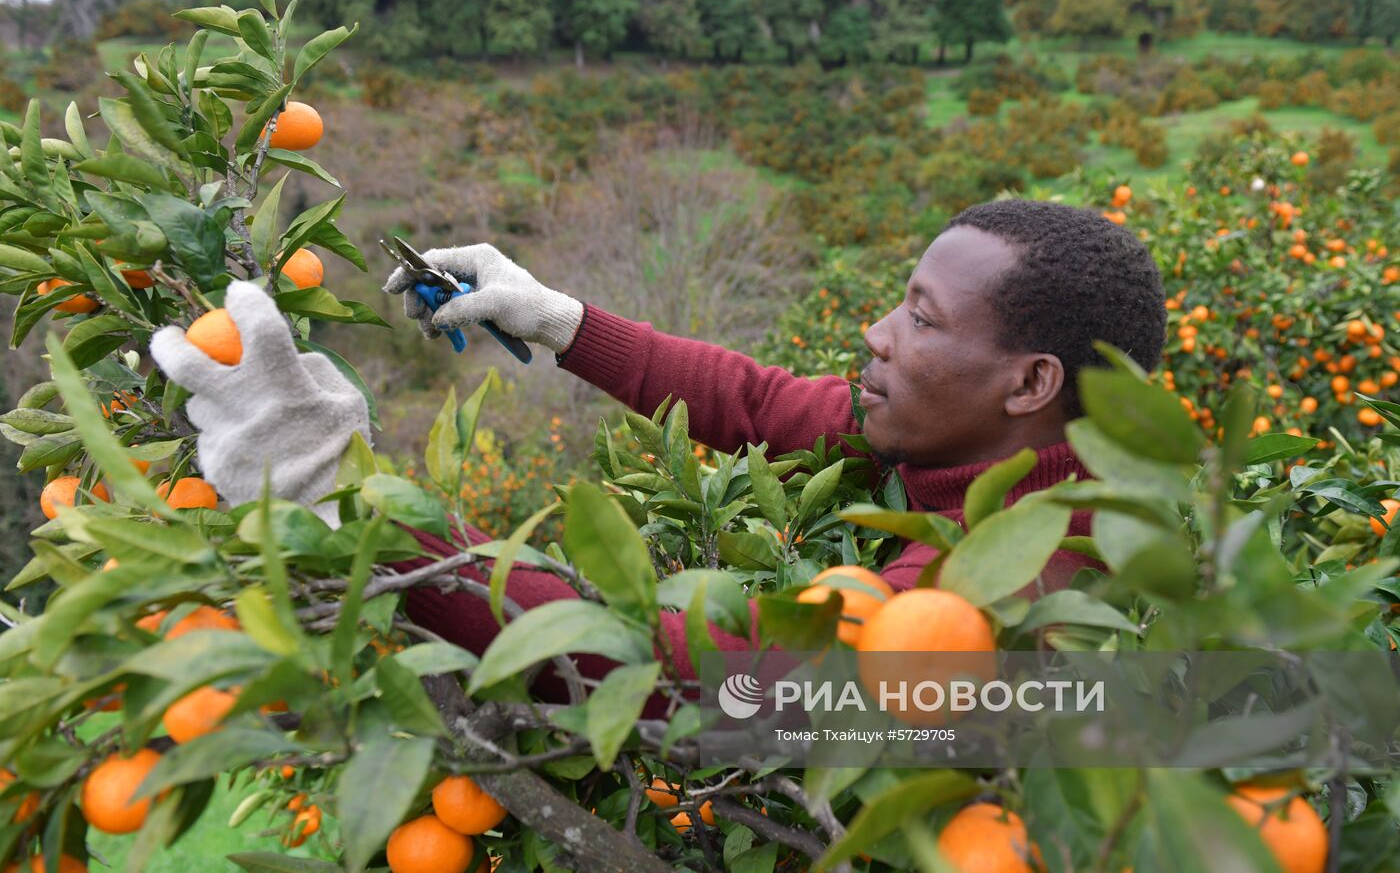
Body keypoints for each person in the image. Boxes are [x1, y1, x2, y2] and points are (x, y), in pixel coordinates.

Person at [150, 198, 1167, 694]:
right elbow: (759, 403)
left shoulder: (994, 586)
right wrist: (559, 319)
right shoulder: (975, 443)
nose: (877, 334)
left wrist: (345, 501)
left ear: (1029, 381)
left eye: (921, 319)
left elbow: (678, 673)